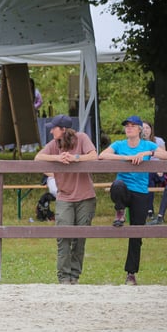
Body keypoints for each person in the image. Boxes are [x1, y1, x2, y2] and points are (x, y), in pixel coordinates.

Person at [98, 115, 167, 285]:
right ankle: (120, 211)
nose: (129, 128)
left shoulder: (147, 144)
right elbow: (102, 155)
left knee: (137, 234)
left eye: (133, 126)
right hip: (123, 190)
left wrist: (146, 153)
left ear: (140, 129)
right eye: (127, 126)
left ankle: (131, 273)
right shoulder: (119, 144)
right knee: (116, 185)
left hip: (140, 192)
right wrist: (126, 158)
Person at [35, 114, 98, 284]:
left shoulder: (82, 138)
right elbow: (38, 157)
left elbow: (93, 155)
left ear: (63, 129)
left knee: (80, 238)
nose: (51, 132)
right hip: (64, 197)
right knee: (63, 235)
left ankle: (74, 276)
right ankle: (63, 277)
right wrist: (58, 158)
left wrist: (75, 158)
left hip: (85, 197)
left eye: (53, 128)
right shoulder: (54, 145)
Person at [141, 120, 167, 219]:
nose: (145, 130)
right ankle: (149, 210)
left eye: (147, 128)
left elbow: (165, 157)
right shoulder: (139, 143)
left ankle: (149, 210)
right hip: (145, 173)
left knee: (150, 177)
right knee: (149, 180)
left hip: (159, 172)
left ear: (151, 129)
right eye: (143, 128)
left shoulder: (159, 141)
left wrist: (160, 169)